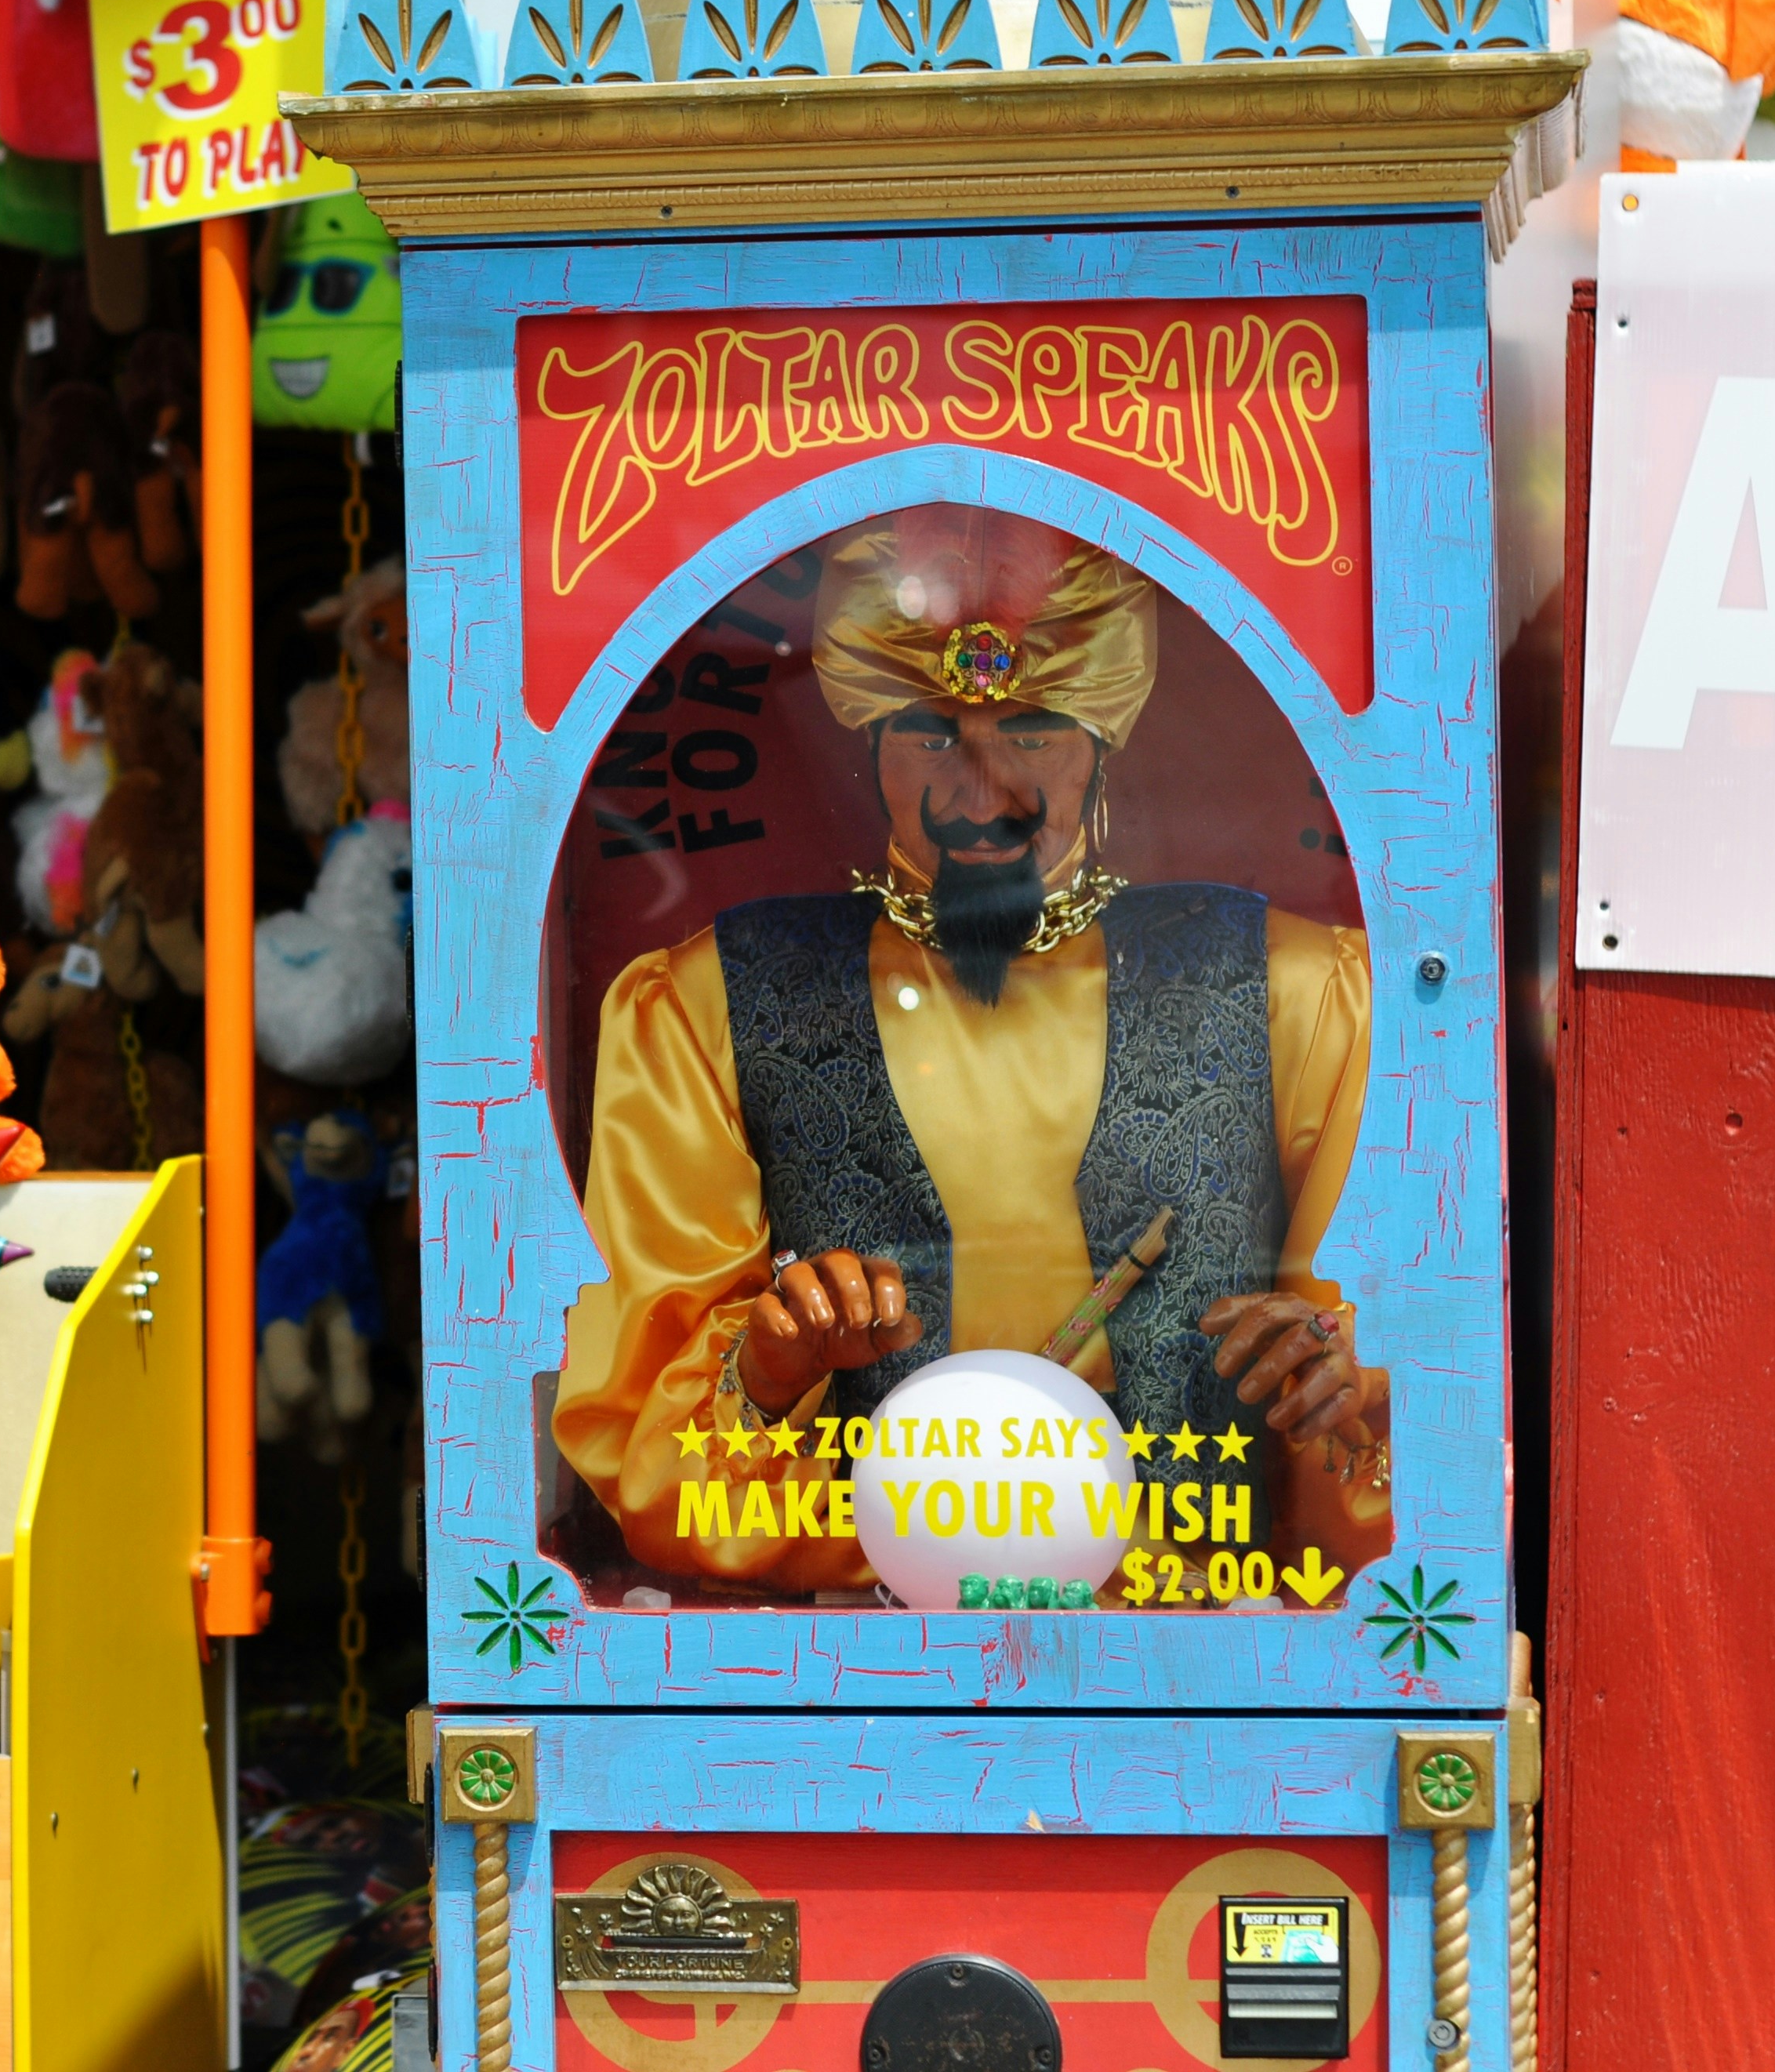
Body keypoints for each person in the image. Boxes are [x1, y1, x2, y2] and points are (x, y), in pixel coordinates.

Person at [551, 503, 1379, 1595]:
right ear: (870, 748)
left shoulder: (1295, 993)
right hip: (848, 1675)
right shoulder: (710, 1006)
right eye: (930, 735)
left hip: (1200, 1664)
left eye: (1033, 728)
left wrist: (1334, 1392)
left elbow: (1383, 1418)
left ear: (1102, 739)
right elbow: (647, 1438)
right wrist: (769, 1366)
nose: (982, 788)